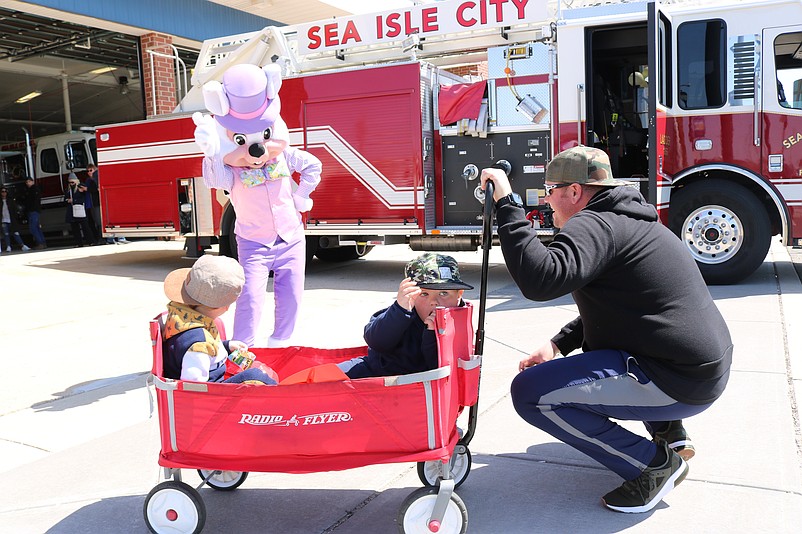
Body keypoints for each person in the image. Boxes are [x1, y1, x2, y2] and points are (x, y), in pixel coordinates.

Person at [480, 145, 732, 513]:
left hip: (680, 380)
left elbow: (540, 280)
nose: (548, 201)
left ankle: (652, 467)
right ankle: (668, 432)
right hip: (698, 368)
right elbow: (624, 308)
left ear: (574, 192)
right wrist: (557, 344)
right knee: (595, 353)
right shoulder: (630, 221)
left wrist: (506, 203)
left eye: (550, 190)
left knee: (532, 394)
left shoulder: (594, 223)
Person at [194, 63, 321, 348]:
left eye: (264, 135)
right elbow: (214, 180)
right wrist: (210, 153)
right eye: (241, 139)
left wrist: (302, 195)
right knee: (250, 296)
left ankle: (281, 343)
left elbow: (313, 165)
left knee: (291, 294)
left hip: (291, 237)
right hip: (253, 241)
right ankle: (243, 347)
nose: (256, 149)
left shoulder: (284, 155)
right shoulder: (232, 169)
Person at [337, 253, 473, 379]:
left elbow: (440, 370)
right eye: (424, 294)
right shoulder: (404, 312)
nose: (434, 302)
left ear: (459, 294)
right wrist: (400, 309)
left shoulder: (458, 321)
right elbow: (376, 341)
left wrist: (432, 334)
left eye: (443, 293)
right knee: (320, 379)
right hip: (377, 373)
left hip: (415, 391)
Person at [162, 254, 277, 385]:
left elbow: (196, 348)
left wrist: (226, 346)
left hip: (211, 380)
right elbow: (194, 386)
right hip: (211, 397)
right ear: (223, 307)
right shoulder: (198, 345)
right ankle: (279, 396)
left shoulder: (182, 319)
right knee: (256, 375)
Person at [17, 176, 46, 249]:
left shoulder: (34, 189)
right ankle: (42, 242)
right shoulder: (31, 190)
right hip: (33, 211)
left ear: (32, 181)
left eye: (29, 181)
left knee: (33, 228)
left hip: (33, 211)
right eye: (26, 182)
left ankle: (40, 243)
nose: (28, 183)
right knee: (36, 228)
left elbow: (32, 201)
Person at [64, 174, 94, 247]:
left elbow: (83, 198)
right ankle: (79, 243)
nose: (71, 184)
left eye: (72, 182)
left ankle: (91, 241)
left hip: (80, 209)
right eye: (69, 182)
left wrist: (73, 200)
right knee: (75, 228)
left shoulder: (80, 187)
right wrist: (67, 200)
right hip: (72, 211)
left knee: (85, 227)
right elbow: (65, 199)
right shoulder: (68, 190)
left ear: (76, 181)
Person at [1, 187, 30, 252]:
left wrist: (16, 217)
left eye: (5, 191)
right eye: (2, 192)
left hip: (11, 219)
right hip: (3, 220)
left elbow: (14, 210)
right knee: (6, 234)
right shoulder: (1, 201)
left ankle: (22, 245)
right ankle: (8, 246)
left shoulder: (10, 200)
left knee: (15, 233)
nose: (4, 193)